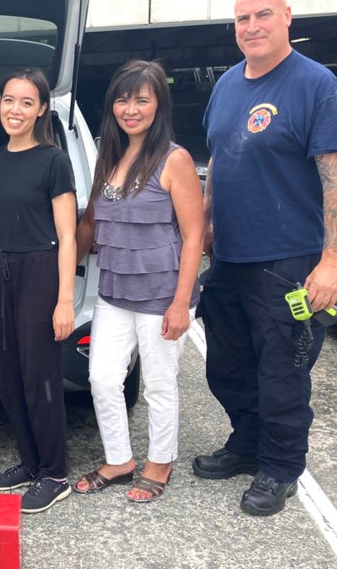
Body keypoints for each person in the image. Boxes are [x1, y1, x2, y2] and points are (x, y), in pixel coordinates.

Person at [193, 0, 337, 516]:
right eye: (242, 18)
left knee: (282, 372)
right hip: (231, 257)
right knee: (226, 363)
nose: (252, 26)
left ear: (287, 18)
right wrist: (210, 223)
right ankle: (247, 443)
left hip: (287, 261)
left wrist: (332, 261)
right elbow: (219, 159)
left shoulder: (315, 85)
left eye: (263, 15)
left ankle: (282, 467)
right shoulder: (226, 87)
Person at [72, 60, 203, 502]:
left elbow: (193, 236)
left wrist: (181, 302)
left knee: (159, 383)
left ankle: (159, 462)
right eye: (123, 99)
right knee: (104, 378)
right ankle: (120, 460)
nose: (131, 109)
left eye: (141, 100)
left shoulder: (175, 160)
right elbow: (91, 221)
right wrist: (55, 261)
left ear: (158, 104)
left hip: (161, 294)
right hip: (114, 292)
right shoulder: (107, 156)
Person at [0, 67, 77, 514]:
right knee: (6, 375)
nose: (15, 109)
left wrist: (64, 300)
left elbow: (66, 235)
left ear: (42, 109)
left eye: (27, 102)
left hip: (39, 270)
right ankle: (31, 462)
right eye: (9, 100)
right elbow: (6, 212)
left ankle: (55, 473)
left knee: (38, 375)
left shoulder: (53, 160)